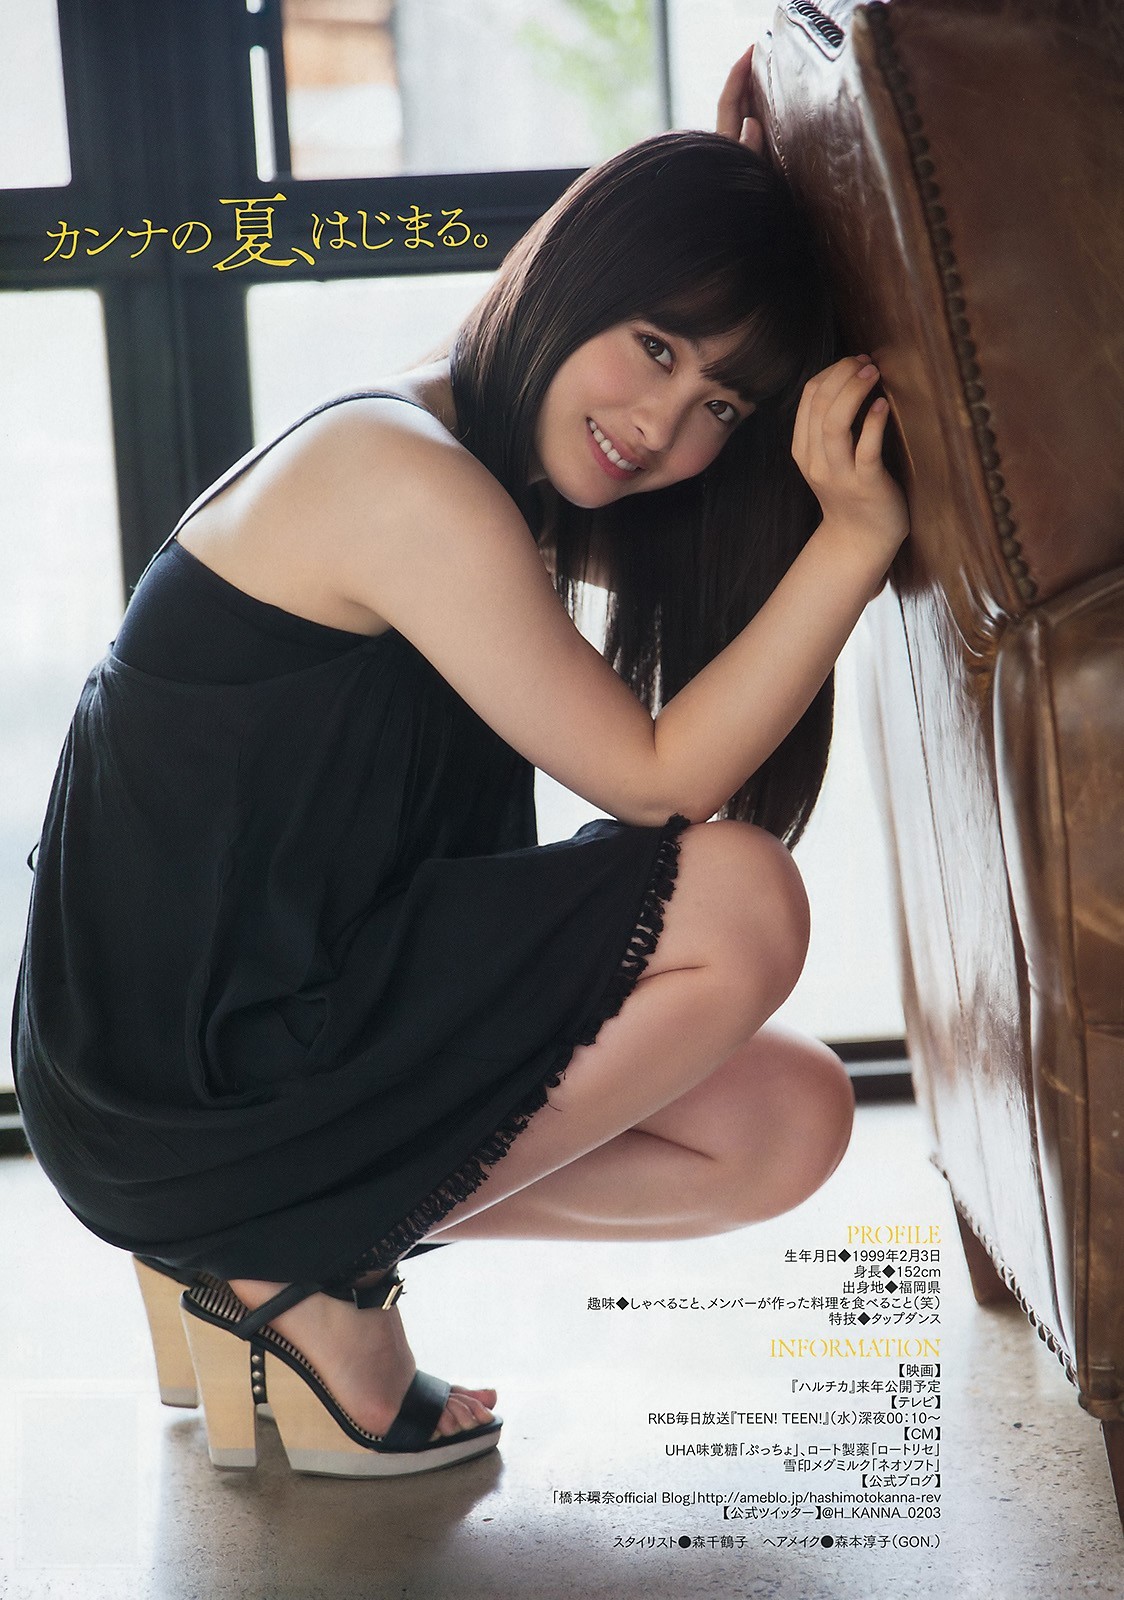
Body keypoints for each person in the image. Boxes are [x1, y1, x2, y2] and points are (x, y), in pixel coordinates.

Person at [10, 50, 908, 1478]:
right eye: (654, 347)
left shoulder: (501, 473)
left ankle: (252, 1244)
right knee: (744, 900)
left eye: (724, 407)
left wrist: (755, 204)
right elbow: (659, 779)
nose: (663, 426)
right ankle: (311, 1270)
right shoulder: (399, 474)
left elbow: (697, 599)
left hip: (288, 1030)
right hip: (191, 1076)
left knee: (785, 1124)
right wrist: (856, 542)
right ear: (574, 271)